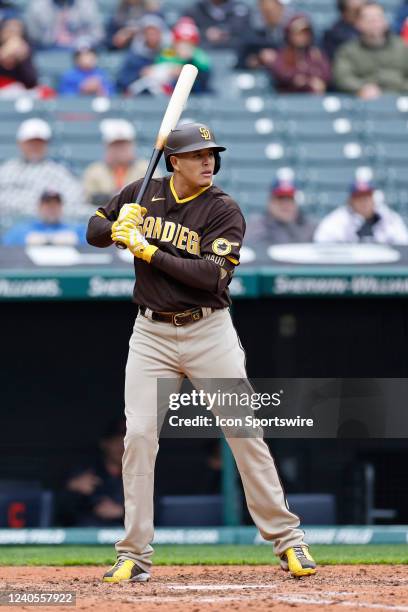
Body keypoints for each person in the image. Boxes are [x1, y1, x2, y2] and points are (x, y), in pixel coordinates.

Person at [86, 121, 317, 583]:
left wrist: (146, 250)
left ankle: (289, 543)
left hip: (208, 330)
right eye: (196, 154)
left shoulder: (223, 209)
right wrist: (116, 227)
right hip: (150, 334)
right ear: (175, 161)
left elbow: (211, 278)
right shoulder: (142, 190)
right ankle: (133, 554)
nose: (207, 161)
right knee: (139, 438)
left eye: (211, 154)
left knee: (244, 433)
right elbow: (92, 228)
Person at [0, 118, 86, 226]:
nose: (35, 147)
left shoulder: (58, 172)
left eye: (39, 143)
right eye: (30, 142)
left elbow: (75, 199)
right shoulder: (6, 171)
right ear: (20, 143)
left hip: (48, 228)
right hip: (12, 229)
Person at [57, 419, 125, 527]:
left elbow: (156, 511)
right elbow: (60, 510)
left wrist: (123, 511)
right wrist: (72, 488)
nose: (122, 446)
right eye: (116, 441)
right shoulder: (85, 471)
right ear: (104, 443)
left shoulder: (142, 475)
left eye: (127, 442)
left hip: (125, 534)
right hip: (88, 532)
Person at [333, 2, 408, 98]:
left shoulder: (402, 47)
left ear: (385, 22)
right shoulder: (348, 51)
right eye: (369, 20)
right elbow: (342, 78)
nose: (374, 24)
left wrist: (399, 86)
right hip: (364, 103)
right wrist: (362, 87)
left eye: (378, 18)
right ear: (358, 23)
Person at [82, 119, 153, 206]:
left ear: (132, 145)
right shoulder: (94, 171)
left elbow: (155, 196)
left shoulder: (147, 168)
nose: (121, 148)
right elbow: (89, 199)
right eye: (116, 144)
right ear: (107, 147)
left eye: (124, 144)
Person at [314, 181, 408, 244]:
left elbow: (403, 243)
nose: (364, 202)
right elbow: (322, 241)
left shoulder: (388, 217)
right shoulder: (337, 220)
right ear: (350, 201)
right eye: (359, 198)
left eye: (367, 197)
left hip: (385, 270)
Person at [268, 14, 331, 94]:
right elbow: (282, 74)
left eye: (305, 33)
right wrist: (307, 81)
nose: (302, 37)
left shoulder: (316, 54)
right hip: (288, 98)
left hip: (312, 99)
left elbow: (326, 75)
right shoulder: (283, 54)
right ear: (289, 34)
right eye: (298, 33)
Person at [2, 189, 86, 246]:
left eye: (55, 205)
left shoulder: (76, 229)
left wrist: (73, 238)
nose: (51, 209)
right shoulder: (21, 230)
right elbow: (6, 243)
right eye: (48, 205)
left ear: (61, 208)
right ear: (39, 208)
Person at [246, 179, 316, 244]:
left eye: (290, 199)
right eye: (280, 198)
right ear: (270, 202)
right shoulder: (256, 229)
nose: (285, 204)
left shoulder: (310, 229)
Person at [154, 17, 211, 94]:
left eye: (188, 43)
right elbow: (158, 65)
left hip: (196, 91)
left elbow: (203, 72)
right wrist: (172, 69)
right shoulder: (170, 52)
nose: (183, 47)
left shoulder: (199, 55)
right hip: (170, 92)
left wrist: (188, 61)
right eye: (180, 43)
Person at [116, 13, 168, 94]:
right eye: (149, 33)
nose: (152, 36)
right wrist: (140, 74)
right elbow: (123, 81)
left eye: (155, 33)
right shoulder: (134, 56)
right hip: (140, 97)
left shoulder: (168, 52)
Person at [25, 0, 104, 50]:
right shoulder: (37, 5)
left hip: (80, 50)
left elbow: (98, 33)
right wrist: (52, 35)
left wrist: (81, 40)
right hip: (47, 49)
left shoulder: (88, 4)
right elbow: (33, 35)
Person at [236, 0, 293, 69]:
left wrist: (278, 57)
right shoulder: (251, 32)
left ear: (281, 8)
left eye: (272, 10)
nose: (270, 14)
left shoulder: (292, 30)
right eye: (266, 11)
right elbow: (241, 59)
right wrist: (256, 58)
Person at [185, 0, 251, 49]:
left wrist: (224, 31)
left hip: (233, 52)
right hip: (203, 51)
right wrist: (205, 32)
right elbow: (185, 31)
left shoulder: (241, 9)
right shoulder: (195, 9)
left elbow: (247, 34)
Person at [0, 15, 37, 92]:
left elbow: (31, 82)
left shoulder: (24, 50)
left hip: (19, 93)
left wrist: (22, 60)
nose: (13, 34)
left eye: (17, 31)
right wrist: (4, 54)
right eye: (10, 30)